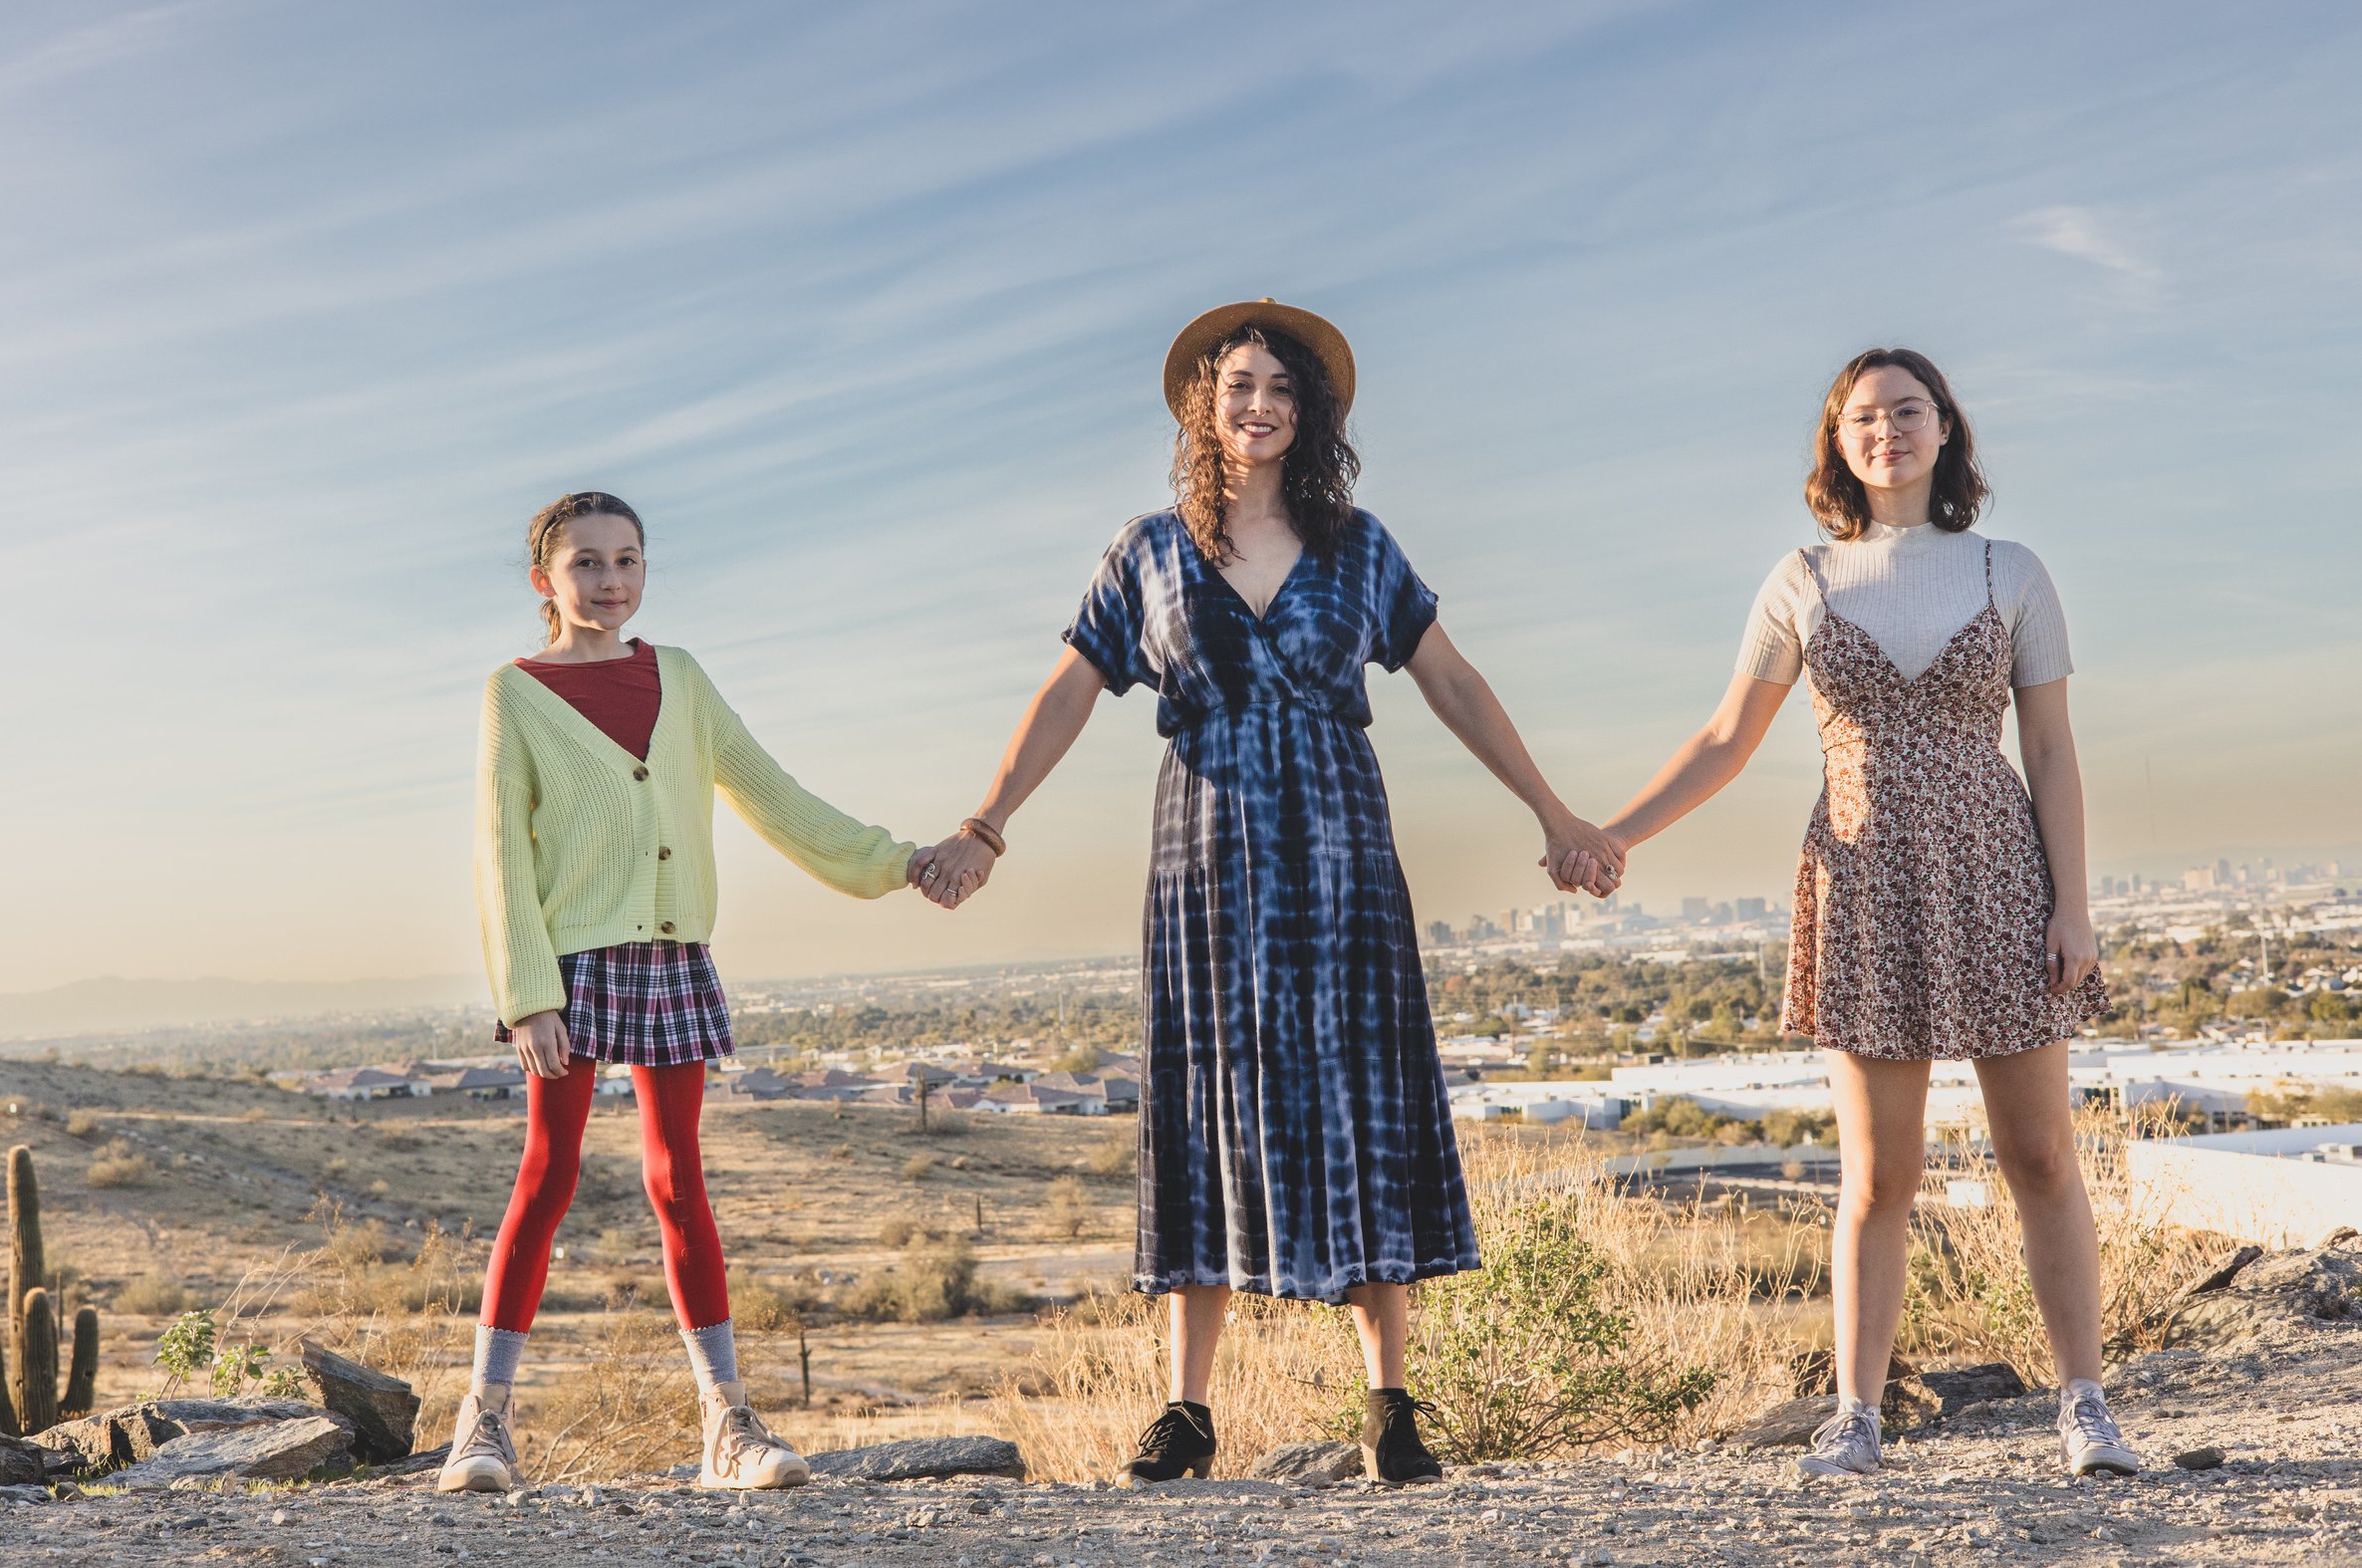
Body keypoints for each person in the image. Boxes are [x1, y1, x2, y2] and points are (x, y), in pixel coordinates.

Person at [914, 301, 1620, 1486]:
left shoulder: (1362, 546)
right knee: (1206, 1089)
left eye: (1280, 389)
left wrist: (1555, 815)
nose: (1258, 404)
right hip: (1206, 856)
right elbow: (1067, 693)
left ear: (1311, 413)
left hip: (1342, 844)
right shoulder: (1144, 548)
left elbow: (1451, 680)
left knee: (1360, 1091)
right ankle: (1185, 1412)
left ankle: (1389, 1403)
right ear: (1204, 403)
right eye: (1237, 384)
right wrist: (987, 825)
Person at [1589, 348, 2137, 1479]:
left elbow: (2049, 749)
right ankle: (1856, 1413)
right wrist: (1612, 834)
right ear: (1835, 443)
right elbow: (1723, 740)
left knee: (2039, 1154)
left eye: (1906, 410)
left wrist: (2072, 907)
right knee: (1879, 1176)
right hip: (1864, 883)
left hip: (1997, 873)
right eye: (1861, 417)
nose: (1885, 429)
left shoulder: (2010, 569)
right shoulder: (1801, 578)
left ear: (1945, 429)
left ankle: (2085, 1403)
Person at [443, 489, 932, 1494]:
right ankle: (482, 1424)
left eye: (627, 559)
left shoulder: (682, 677)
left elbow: (773, 794)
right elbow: (498, 851)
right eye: (586, 562)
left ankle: (729, 1423)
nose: (609, 579)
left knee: (678, 1182)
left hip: (671, 957)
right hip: (571, 966)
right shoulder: (513, 689)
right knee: (547, 1175)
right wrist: (528, 990)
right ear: (546, 580)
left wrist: (894, 861)